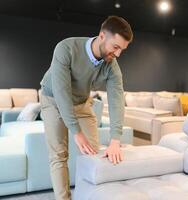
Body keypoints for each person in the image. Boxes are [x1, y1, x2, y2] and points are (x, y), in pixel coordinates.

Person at [39, 16, 133, 200]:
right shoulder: (66, 48)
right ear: (102, 36)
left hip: (82, 102)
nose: (119, 54)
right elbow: (62, 93)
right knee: (59, 155)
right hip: (53, 99)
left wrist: (115, 139)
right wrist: (76, 131)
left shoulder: (111, 66)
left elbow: (116, 100)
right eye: (116, 47)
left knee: (92, 153)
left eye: (122, 49)